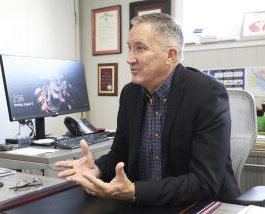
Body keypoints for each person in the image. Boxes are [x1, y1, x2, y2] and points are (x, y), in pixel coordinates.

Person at [55, 13, 240, 206]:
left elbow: (204, 182)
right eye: (129, 48)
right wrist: (97, 169)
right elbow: (120, 155)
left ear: (170, 55)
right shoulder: (130, 94)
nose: (129, 59)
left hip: (201, 204)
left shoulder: (207, 93)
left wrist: (134, 191)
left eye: (140, 48)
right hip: (146, 202)